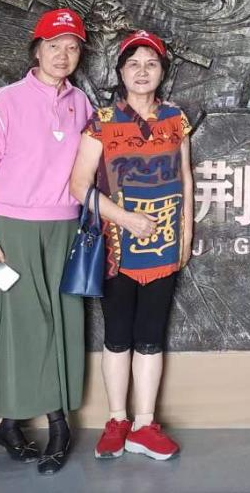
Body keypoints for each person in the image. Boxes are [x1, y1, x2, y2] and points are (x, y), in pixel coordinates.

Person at [0, 8, 92, 475]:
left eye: (72, 47)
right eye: (54, 45)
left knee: (64, 321)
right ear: (36, 50)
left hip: (65, 227)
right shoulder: (6, 99)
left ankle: (12, 426)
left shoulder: (81, 103)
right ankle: (58, 426)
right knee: (25, 324)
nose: (63, 55)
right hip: (13, 228)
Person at [69, 29, 194, 462]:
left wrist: (186, 235)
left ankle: (144, 424)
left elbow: (185, 178)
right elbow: (78, 186)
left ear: (162, 71)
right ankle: (117, 419)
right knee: (118, 335)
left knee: (151, 336)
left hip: (164, 246)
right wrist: (125, 219)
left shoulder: (176, 119)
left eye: (151, 64)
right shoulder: (101, 122)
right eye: (134, 64)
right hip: (116, 248)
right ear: (121, 72)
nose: (143, 72)